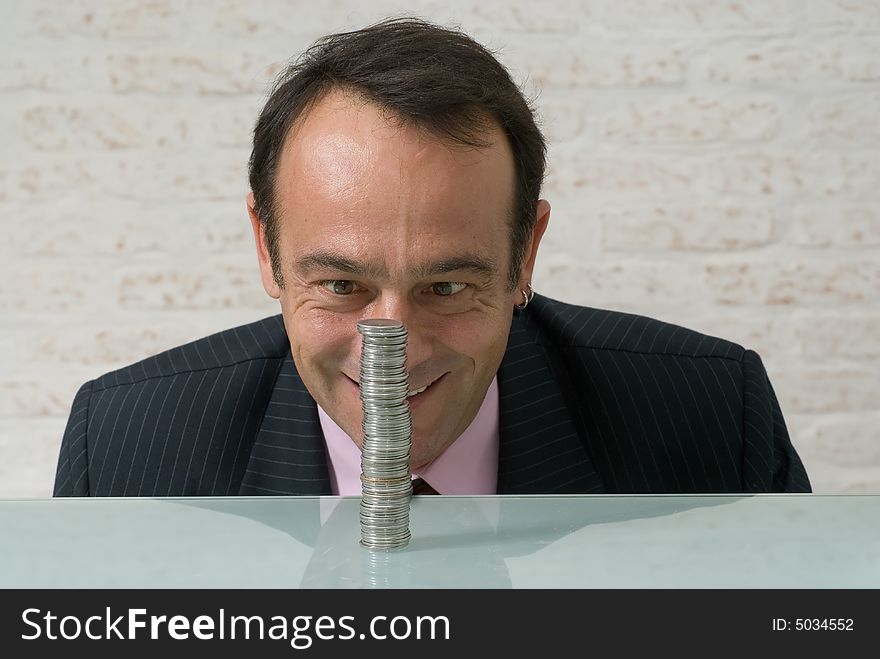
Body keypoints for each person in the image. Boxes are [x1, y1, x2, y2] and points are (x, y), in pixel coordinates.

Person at [53, 18, 811, 498]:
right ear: (267, 249)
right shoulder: (124, 449)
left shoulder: (715, 422)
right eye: (343, 284)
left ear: (524, 255)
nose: (394, 350)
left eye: (447, 285)